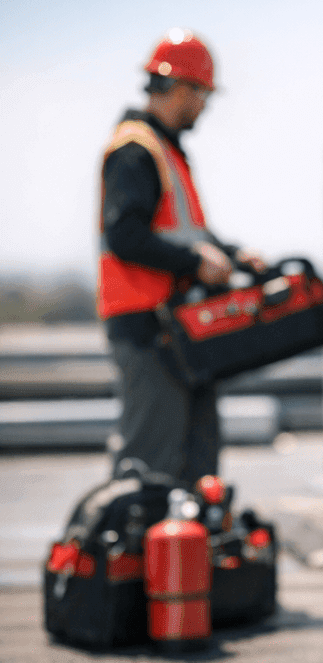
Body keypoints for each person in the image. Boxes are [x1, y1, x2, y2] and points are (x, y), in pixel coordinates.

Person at [97, 28, 266, 489]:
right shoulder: (135, 151)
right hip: (148, 329)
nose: (205, 107)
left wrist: (233, 255)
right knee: (150, 465)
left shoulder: (167, 152)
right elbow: (124, 236)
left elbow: (189, 234)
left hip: (177, 330)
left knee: (196, 462)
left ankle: (188, 559)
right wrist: (196, 265)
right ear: (182, 88)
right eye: (203, 94)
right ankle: (139, 560)